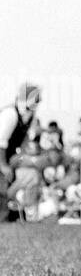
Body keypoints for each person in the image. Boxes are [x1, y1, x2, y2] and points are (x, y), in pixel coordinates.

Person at [1, 83, 42, 221]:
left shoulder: (30, 117)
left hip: (9, 155)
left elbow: (23, 142)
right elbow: (1, 142)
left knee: (31, 175)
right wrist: (3, 165)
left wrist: (21, 158)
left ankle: (20, 213)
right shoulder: (10, 114)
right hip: (2, 155)